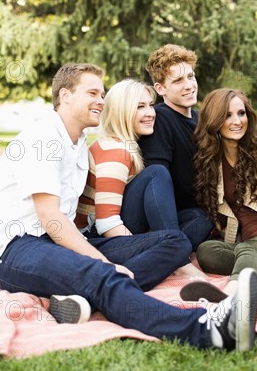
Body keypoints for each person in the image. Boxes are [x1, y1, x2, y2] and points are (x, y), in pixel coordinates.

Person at [0, 63, 257, 351]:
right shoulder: (42, 139)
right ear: (65, 96)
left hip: (61, 243)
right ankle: (207, 329)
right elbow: (50, 217)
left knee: (173, 240)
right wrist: (103, 262)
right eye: (92, 93)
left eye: (102, 94)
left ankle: (82, 301)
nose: (101, 101)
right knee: (102, 273)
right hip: (18, 249)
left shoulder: (77, 143)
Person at [179, 89, 257, 301]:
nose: (237, 121)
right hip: (246, 241)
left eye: (241, 113)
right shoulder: (210, 161)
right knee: (205, 251)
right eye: (227, 115)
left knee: (247, 251)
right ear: (215, 120)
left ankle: (231, 297)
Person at [74, 78, 205, 278]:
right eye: (140, 107)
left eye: (151, 105)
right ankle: (176, 260)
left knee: (199, 217)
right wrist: (142, 246)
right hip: (96, 240)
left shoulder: (128, 146)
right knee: (156, 173)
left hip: (115, 231)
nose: (151, 113)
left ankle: (166, 255)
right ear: (122, 111)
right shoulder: (115, 151)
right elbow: (107, 223)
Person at [138, 44, 212, 250]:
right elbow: (156, 182)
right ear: (160, 88)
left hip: (201, 211)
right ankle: (164, 251)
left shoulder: (200, 120)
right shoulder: (160, 118)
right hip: (173, 218)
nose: (189, 85)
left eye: (191, 76)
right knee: (202, 219)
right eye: (178, 80)